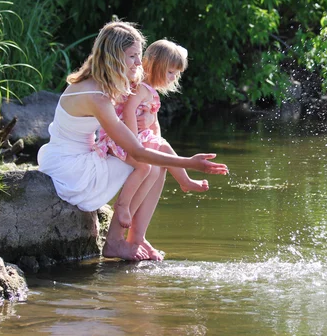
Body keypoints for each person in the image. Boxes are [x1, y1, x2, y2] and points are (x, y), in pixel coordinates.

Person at [37, 20, 228, 261]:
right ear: (114, 57)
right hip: (73, 169)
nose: (139, 62)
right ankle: (116, 242)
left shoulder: (102, 81)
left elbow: (147, 85)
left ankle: (137, 237)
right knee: (148, 162)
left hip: (76, 155)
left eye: (139, 55)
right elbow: (136, 151)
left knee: (155, 156)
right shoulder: (96, 96)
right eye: (133, 56)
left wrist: (149, 115)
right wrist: (189, 163)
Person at [94, 39, 208, 229]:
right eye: (170, 72)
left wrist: (154, 137)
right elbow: (128, 110)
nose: (173, 77)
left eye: (176, 73)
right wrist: (133, 141)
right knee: (145, 167)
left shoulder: (149, 89)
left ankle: (184, 180)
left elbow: (153, 125)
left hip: (135, 136)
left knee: (163, 146)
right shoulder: (140, 87)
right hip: (122, 138)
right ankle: (123, 205)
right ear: (155, 67)